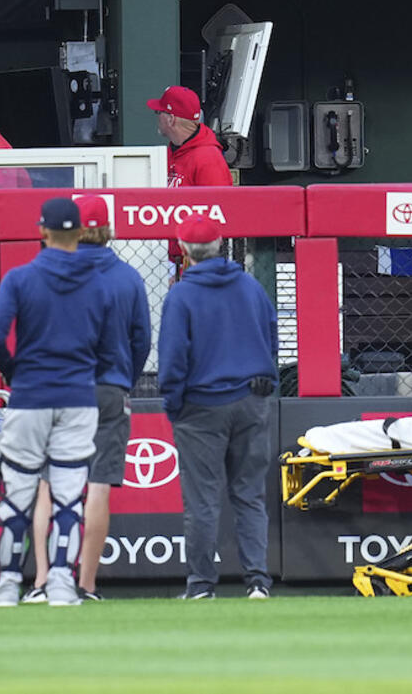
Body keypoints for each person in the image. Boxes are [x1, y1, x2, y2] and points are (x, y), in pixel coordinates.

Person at [0, 197, 108, 607]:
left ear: (42, 231)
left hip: (31, 395)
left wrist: (14, 371)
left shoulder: (21, 278)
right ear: (80, 233)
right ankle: (61, 584)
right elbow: (111, 343)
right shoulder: (98, 281)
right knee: (70, 496)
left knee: (17, 493)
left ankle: (5, 586)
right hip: (78, 396)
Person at [21, 196, 151, 604]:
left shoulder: (51, 273)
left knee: (45, 486)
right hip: (108, 389)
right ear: (108, 228)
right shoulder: (127, 276)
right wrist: (121, 380)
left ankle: (42, 582)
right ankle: (85, 585)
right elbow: (141, 340)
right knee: (97, 487)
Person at [157, 213, 277, 600]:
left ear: (185, 251)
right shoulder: (249, 285)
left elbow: (173, 357)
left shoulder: (181, 294)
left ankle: (202, 586)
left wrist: (174, 404)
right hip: (251, 398)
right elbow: (272, 337)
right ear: (220, 243)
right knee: (249, 495)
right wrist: (266, 382)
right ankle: (258, 582)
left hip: (200, 406)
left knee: (202, 501)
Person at [150, 85, 231, 189]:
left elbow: (219, 203)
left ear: (171, 119)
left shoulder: (208, 159)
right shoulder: (172, 150)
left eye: (159, 112)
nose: (158, 118)